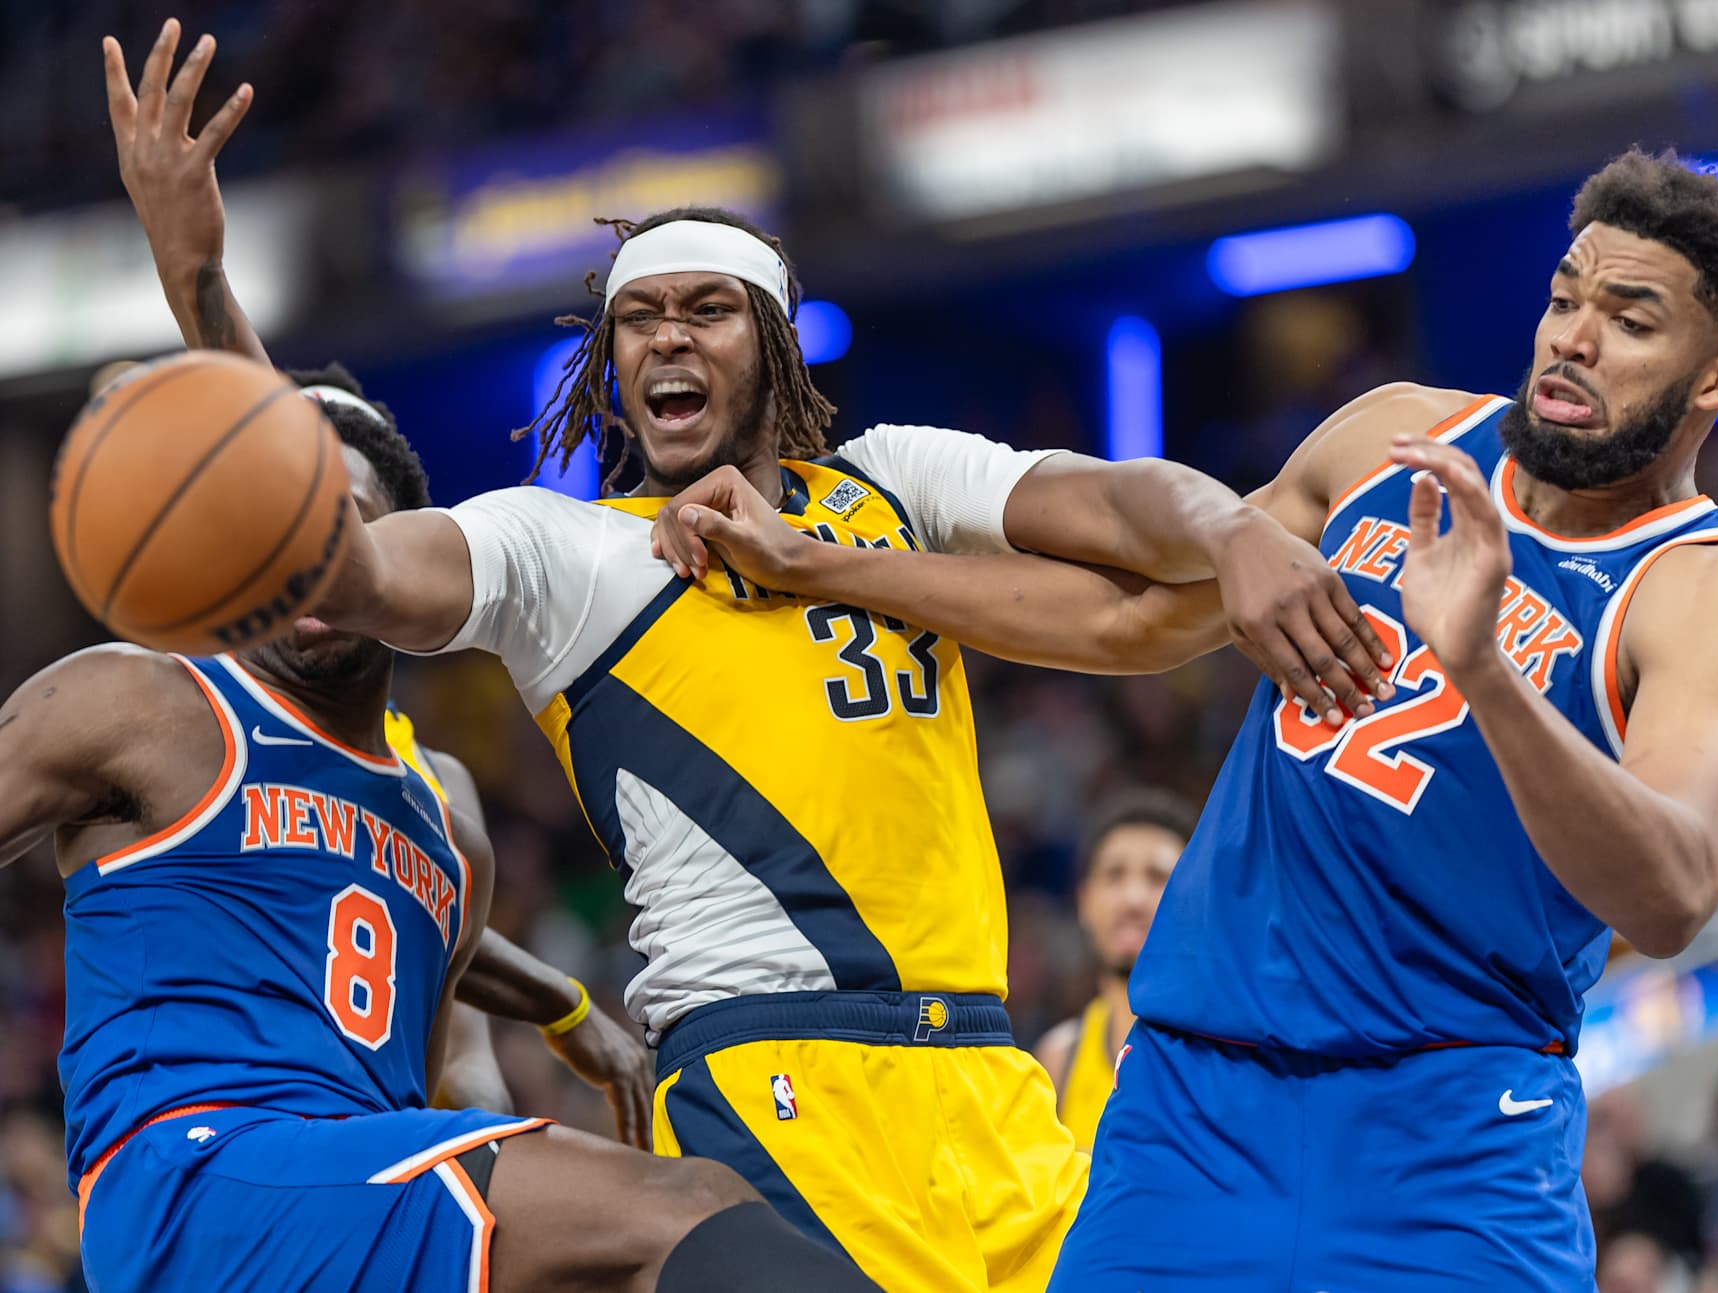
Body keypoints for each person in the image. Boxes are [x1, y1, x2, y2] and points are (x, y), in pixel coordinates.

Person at [103, 22, 1392, 1290]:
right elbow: (354, 566)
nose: (666, 339)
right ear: (608, 368)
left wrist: (1236, 532)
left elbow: (1122, 515)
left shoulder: (892, 481)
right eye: (638, 321)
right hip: (773, 1078)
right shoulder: (567, 555)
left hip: (989, 1085)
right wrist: (202, 288)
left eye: (707, 313)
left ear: (772, 344)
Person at [648, 149, 1718, 1290]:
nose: (1573, 340)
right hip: (1192, 1113)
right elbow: (1129, 624)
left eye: (1632, 321)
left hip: (1453, 1140)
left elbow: (1673, 891)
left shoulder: (1702, 601)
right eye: (1565, 299)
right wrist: (822, 563)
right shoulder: (1389, 441)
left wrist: (1485, 674)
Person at [2, 374, 881, 1291]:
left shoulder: (447, 819)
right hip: (193, 1173)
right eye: (274, 526)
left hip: (351, 1207)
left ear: (395, 567)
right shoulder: (141, 701)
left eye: (338, 527)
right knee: (687, 1205)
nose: (304, 551)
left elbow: (456, 1088)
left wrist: (560, 1015)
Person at [1032, 789, 1194, 1151]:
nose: (1133, 898)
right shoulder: (1058, 1058)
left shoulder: (1224, 1055)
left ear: (1194, 901)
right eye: (1114, 875)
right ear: (1084, 901)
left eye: (1157, 877)